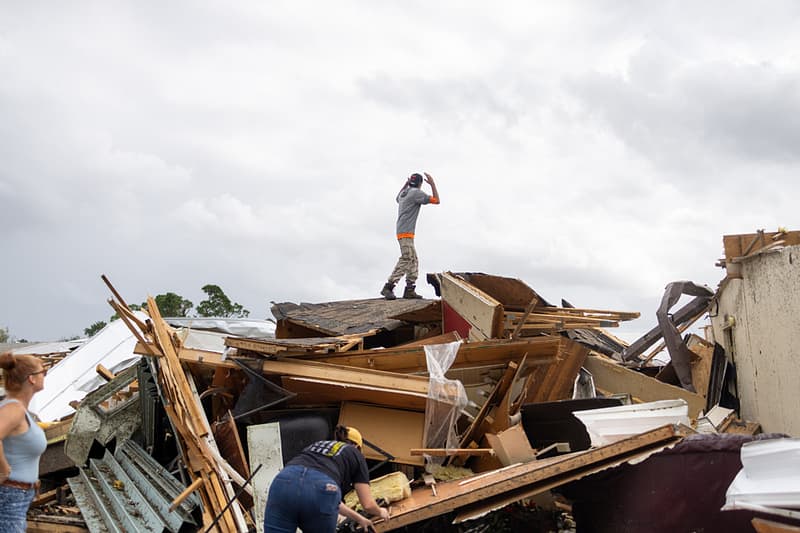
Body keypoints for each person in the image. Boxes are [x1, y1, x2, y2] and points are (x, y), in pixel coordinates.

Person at [264, 425, 390, 533]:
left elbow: (332, 501)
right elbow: (368, 505)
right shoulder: (355, 453)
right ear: (357, 447)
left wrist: (359, 518)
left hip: (283, 482)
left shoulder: (316, 446)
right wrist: (381, 511)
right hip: (321, 488)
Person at [0, 352, 48, 532]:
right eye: (43, 371)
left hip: (16, 496)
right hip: (10, 496)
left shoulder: (17, 408)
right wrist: (3, 469)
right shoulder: (14, 409)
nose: (44, 375)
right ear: (32, 379)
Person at [381, 172, 440, 300]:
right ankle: (389, 286)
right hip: (406, 231)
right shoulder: (416, 193)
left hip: (403, 231)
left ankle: (410, 289)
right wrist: (433, 184)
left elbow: (397, 199)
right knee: (407, 258)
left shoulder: (404, 193)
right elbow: (436, 200)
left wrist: (405, 184)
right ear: (420, 184)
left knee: (413, 259)